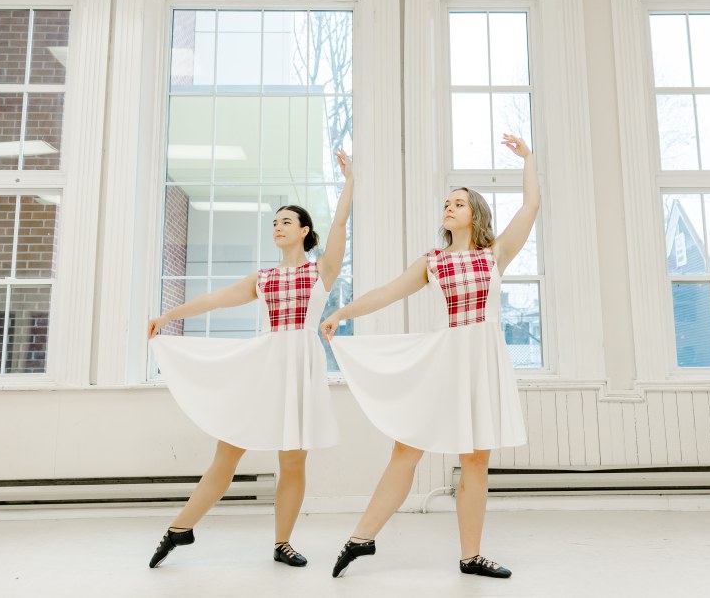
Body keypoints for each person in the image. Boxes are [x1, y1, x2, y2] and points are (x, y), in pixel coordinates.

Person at [320, 134, 538, 579]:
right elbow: (386, 293)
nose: (449, 207)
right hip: (444, 360)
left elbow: (531, 207)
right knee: (407, 449)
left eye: (458, 203)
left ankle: (470, 555)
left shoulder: (494, 255)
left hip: (482, 361)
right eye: (447, 202)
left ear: (475, 213)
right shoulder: (431, 262)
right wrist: (342, 312)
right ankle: (361, 538)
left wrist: (529, 159)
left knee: (476, 459)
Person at [146, 149, 353, 569]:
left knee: (292, 459)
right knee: (228, 452)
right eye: (273, 222)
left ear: (304, 231)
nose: (277, 227)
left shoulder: (321, 271)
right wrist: (169, 315)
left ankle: (282, 543)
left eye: (286, 222)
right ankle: (180, 528)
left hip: (301, 367)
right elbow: (214, 300)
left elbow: (341, 225)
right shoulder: (262, 278)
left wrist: (351, 181)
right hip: (264, 366)